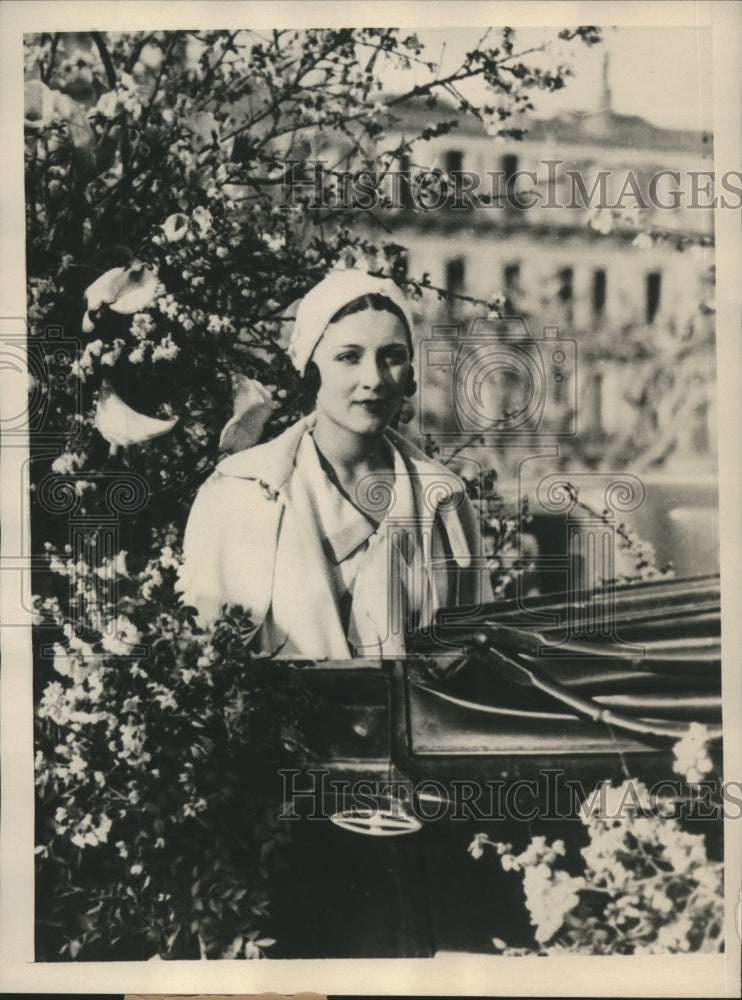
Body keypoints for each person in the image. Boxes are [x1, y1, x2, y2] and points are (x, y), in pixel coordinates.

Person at [179, 268, 493, 658]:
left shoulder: (443, 498)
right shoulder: (238, 492)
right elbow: (204, 657)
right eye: (348, 357)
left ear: (411, 374)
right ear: (312, 369)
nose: (374, 379)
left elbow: (476, 654)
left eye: (392, 357)